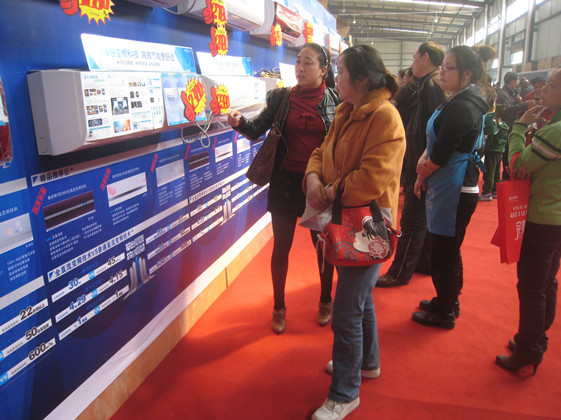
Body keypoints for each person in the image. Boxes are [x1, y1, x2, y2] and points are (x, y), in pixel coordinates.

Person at [304, 45, 405, 420]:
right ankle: (367, 362)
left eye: (340, 69)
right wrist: (313, 178)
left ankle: (345, 393)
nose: (335, 76)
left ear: (361, 79)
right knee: (359, 301)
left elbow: (372, 178)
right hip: (343, 219)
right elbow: (321, 151)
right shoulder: (345, 111)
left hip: (367, 225)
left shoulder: (385, 116)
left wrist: (329, 191)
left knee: (346, 312)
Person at [227, 43, 340, 334]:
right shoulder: (281, 97)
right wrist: (239, 123)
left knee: (323, 245)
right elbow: (257, 129)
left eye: (308, 63)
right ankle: (278, 306)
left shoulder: (337, 101)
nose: (300, 68)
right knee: (281, 246)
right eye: (298, 62)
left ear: (323, 70)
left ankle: (326, 300)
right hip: (285, 182)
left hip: (318, 184)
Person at [412, 45, 490, 329]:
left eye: (448, 68)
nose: (442, 72)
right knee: (447, 249)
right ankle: (447, 299)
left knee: (444, 251)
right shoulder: (459, 99)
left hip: (455, 189)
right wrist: (424, 169)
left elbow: (443, 152)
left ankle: (445, 311)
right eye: (442, 66)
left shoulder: (464, 106)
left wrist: (422, 172)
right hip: (448, 184)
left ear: (466, 73)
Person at [496, 67, 561, 375]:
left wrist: (519, 127)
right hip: (554, 217)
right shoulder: (552, 125)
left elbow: (517, 165)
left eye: (550, 85)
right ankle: (535, 339)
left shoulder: (554, 131)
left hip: (543, 217)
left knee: (533, 287)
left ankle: (528, 351)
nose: (541, 90)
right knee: (547, 281)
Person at [376, 41, 446, 288]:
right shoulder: (427, 85)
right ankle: (421, 263)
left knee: (412, 219)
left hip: (423, 163)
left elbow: (436, 130)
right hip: (421, 161)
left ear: (426, 57)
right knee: (420, 218)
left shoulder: (432, 86)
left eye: (415, 58)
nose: (412, 63)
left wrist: (425, 161)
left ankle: (400, 271)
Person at [496, 71, 535, 180]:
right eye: (517, 81)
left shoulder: (511, 93)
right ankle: (505, 176)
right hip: (505, 127)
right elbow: (507, 109)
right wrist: (524, 104)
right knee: (506, 153)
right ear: (512, 81)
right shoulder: (503, 93)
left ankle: (506, 175)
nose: (517, 83)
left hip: (509, 125)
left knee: (507, 152)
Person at [479, 106, 509, 201]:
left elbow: (490, 139)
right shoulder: (504, 126)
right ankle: (495, 191)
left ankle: (487, 192)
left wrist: (485, 149)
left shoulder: (494, 127)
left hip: (492, 151)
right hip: (500, 151)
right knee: (497, 172)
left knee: (489, 172)